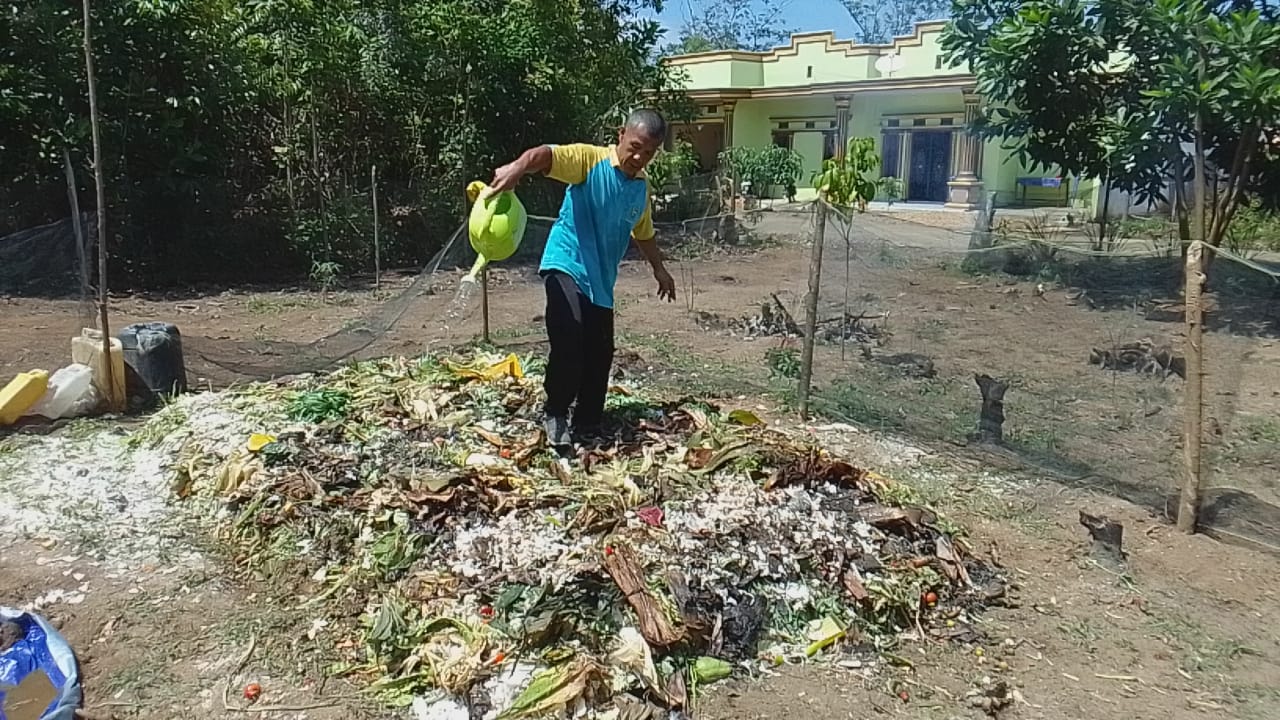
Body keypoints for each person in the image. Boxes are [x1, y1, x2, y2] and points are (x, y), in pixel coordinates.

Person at [486, 108, 677, 449]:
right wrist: (517, 168)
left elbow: (643, 232)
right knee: (569, 335)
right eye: (635, 146)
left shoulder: (640, 189)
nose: (639, 157)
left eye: (648, 153)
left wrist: (659, 269)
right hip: (566, 262)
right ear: (621, 135)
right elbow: (546, 155)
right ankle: (556, 413)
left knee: (600, 354)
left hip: (600, 281)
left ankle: (588, 423)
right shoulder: (590, 161)